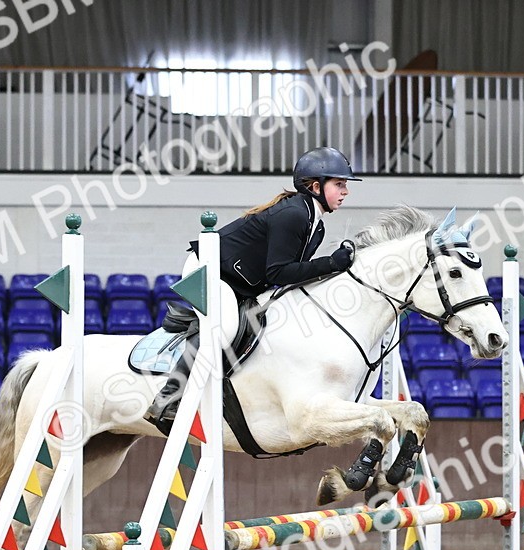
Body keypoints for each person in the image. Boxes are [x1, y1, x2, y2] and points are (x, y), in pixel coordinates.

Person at [144, 146, 361, 432]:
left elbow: (292, 275)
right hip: (210, 269)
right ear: (316, 186)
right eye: (339, 184)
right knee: (224, 328)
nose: (346, 191)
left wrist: (332, 268)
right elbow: (279, 272)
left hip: (242, 281)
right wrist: (331, 263)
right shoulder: (294, 214)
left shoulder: (315, 225)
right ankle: (168, 398)